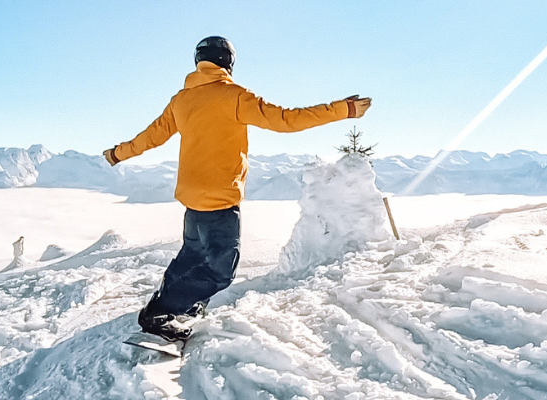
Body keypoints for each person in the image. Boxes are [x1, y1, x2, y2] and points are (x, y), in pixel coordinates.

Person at [103, 36, 372, 342]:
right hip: (220, 201)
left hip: (192, 199)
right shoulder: (235, 96)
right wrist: (342, 110)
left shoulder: (181, 100)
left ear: (199, 61)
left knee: (192, 255)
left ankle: (175, 303)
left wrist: (117, 153)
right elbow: (287, 120)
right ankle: (160, 313)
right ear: (227, 62)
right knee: (221, 271)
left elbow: (150, 137)